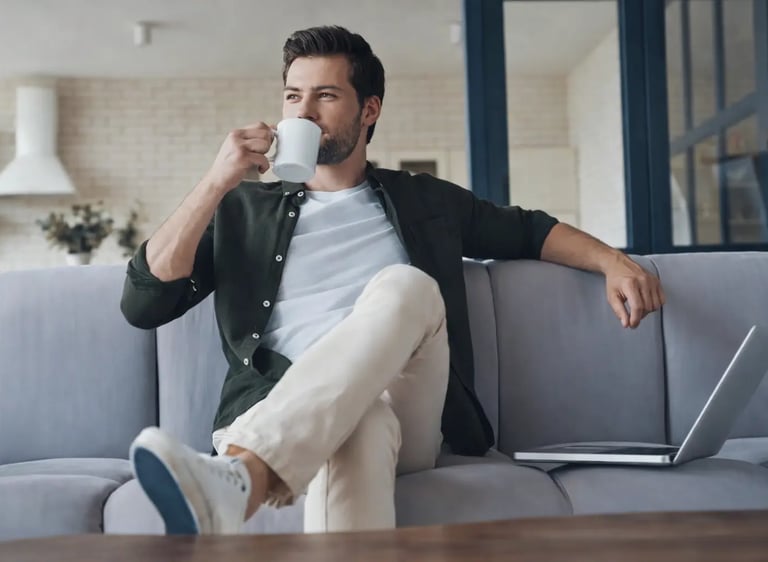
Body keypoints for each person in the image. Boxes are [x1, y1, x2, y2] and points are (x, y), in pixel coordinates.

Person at [120, 25, 665, 535]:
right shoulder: (242, 208)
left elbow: (529, 231)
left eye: (325, 96)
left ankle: (242, 474)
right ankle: (247, 476)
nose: (303, 112)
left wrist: (612, 260)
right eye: (293, 96)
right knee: (360, 421)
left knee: (406, 286)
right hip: (275, 404)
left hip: (412, 410)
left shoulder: (425, 200)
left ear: (369, 108)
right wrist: (216, 181)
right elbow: (144, 303)